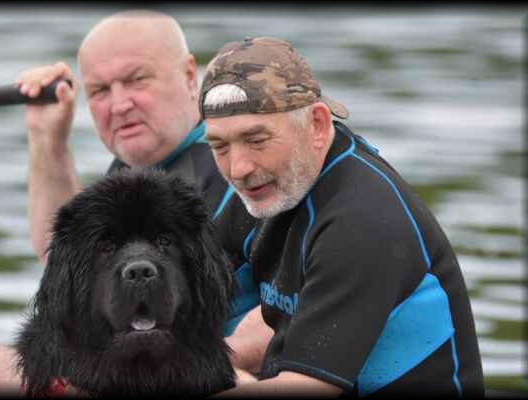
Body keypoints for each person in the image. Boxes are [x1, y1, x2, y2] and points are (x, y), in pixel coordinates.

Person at [0, 11, 269, 396]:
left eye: (137, 80)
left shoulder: (247, 169)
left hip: (222, 373)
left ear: (188, 76)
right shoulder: (129, 175)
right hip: (134, 365)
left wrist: (204, 363)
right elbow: (62, 261)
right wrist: (47, 135)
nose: (119, 105)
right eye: (100, 90)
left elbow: (308, 303)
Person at [199, 36, 485, 397]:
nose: (238, 168)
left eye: (257, 140)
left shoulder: (362, 221)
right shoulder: (267, 187)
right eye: (219, 146)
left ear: (317, 126)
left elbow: (305, 388)